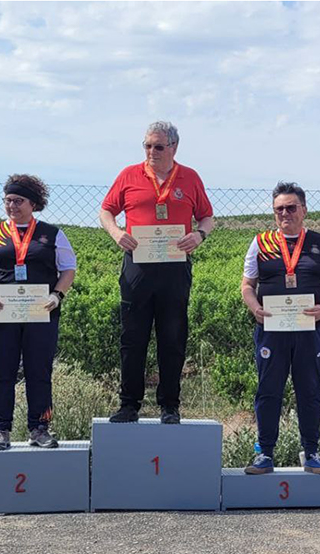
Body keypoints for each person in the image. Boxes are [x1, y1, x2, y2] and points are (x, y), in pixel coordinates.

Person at [99, 121, 214, 424]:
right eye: (147, 145)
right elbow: (106, 210)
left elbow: (206, 217)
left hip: (175, 267)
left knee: (172, 336)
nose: (152, 151)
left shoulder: (190, 178)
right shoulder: (128, 175)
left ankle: (170, 405)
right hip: (137, 264)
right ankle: (129, 405)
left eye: (158, 146)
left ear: (174, 147)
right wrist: (116, 233)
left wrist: (199, 236)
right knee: (132, 336)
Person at [0, 174, 76, 451]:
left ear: (33, 204)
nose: (12, 206)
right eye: (7, 201)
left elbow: (68, 269)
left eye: (18, 200)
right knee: (1, 372)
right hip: (1, 314)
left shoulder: (52, 234)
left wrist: (57, 295)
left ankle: (40, 428)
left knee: (39, 371)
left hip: (41, 313)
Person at [240, 182, 320, 474]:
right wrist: (255, 308)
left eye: (290, 207)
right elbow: (248, 286)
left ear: (304, 210)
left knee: (309, 390)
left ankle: (312, 452)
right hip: (271, 330)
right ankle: (264, 453)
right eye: (279, 209)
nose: (285, 213)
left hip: (310, 331)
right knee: (268, 390)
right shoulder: (260, 243)